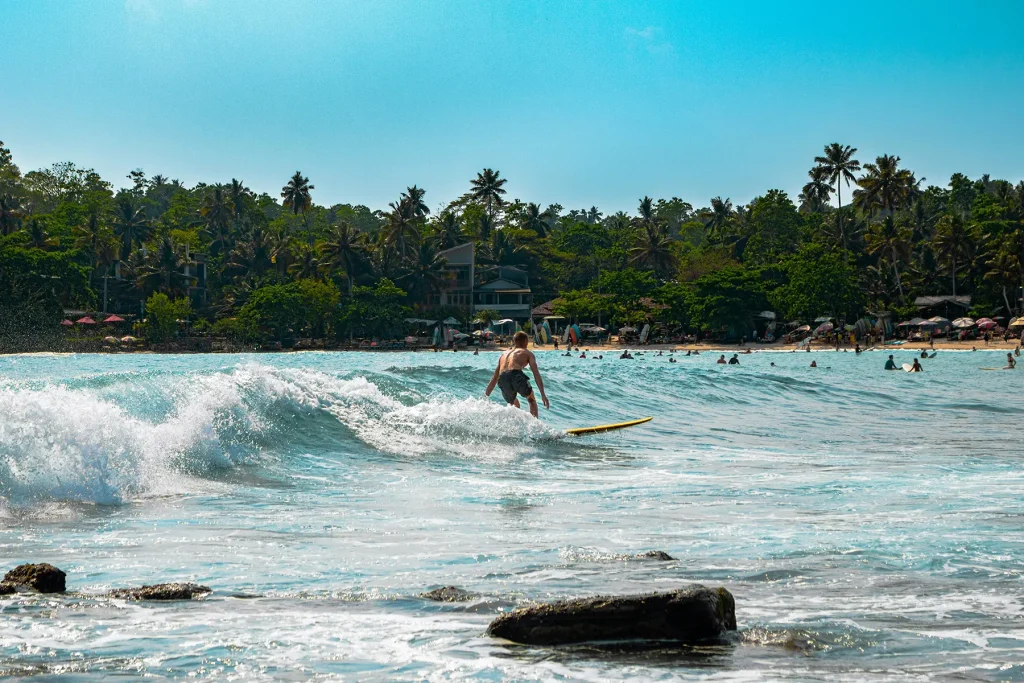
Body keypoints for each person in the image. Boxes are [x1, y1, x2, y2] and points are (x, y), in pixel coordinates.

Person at [485, 331, 550, 417]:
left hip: (502, 378)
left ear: (514, 341)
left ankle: (515, 427)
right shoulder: (527, 353)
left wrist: (486, 396)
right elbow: (536, 373)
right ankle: (535, 427)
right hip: (516, 375)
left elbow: (495, 377)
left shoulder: (503, 354)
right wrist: (543, 395)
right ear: (526, 342)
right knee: (531, 399)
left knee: (514, 404)